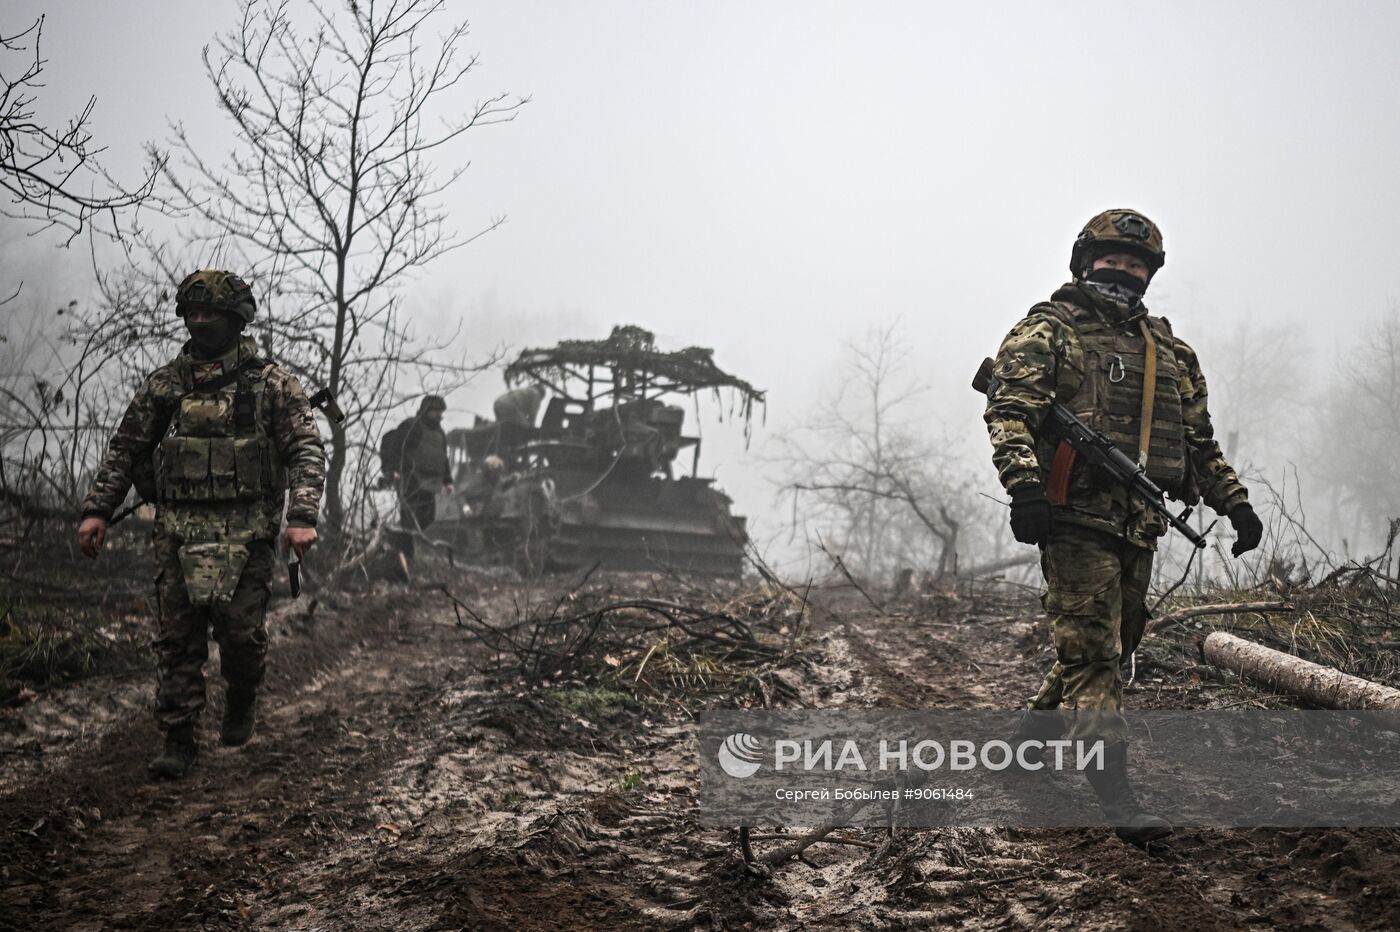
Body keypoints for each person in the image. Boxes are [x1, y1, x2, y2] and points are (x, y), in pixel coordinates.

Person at [983, 209, 1263, 844]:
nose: (1125, 271)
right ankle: (1117, 796)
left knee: (1116, 643)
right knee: (1093, 657)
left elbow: (1199, 444)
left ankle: (1024, 745)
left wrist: (1235, 504)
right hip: (1073, 517)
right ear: (1086, 262)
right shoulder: (1048, 330)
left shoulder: (1171, 352)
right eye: (1113, 260)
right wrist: (1026, 487)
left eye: (1137, 264)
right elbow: (1009, 412)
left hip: (1139, 523)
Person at [76, 270, 326, 779]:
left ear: (235, 318)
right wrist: (98, 510)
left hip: (248, 530)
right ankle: (179, 737)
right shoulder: (166, 385)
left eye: (210, 313)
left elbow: (305, 450)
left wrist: (301, 517)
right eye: (193, 314)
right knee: (177, 639)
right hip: (178, 529)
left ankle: (241, 697)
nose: (200, 321)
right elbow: (126, 450)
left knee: (240, 636)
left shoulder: (271, 384)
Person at [384, 395, 454, 571]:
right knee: (409, 521)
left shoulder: (440, 433)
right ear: (426, 410)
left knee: (427, 519)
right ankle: (403, 559)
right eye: (435, 411)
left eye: (441, 412)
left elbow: (443, 458)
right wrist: (394, 470)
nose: (439, 415)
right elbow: (395, 449)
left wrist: (448, 480)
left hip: (431, 483)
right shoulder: (411, 426)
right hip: (411, 480)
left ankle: (408, 554)